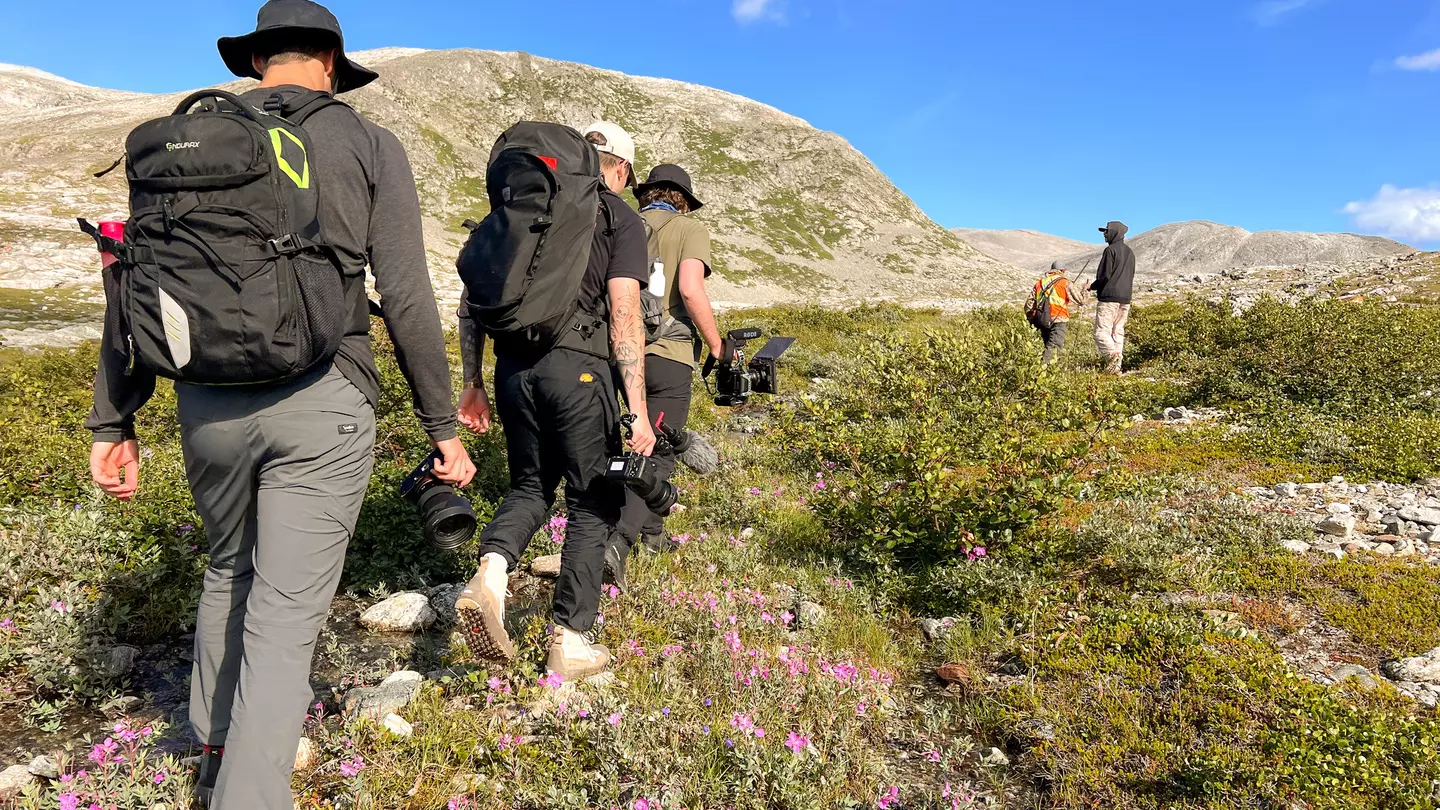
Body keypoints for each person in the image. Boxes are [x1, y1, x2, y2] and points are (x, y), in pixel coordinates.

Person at [85, 2, 476, 808]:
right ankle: (249, 796)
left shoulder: (190, 141)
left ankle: (213, 755)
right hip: (324, 395)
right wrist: (442, 425)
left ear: (257, 61)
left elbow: (131, 279)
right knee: (287, 612)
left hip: (207, 404)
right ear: (331, 62)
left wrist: (114, 418)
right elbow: (405, 292)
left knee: (228, 569)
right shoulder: (366, 142)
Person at [454, 121, 653, 680]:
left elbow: (471, 303)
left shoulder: (520, 212)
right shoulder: (618, 216)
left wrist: (472, 381)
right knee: (593, 499)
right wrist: (637, 408)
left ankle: (491, 577)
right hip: (578, 368)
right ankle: (571, 638)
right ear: (619, 168)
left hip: (512, 370)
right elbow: (624, 314)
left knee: (529, 487)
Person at [603, 163, 723, 590]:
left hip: (619, 355)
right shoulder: (689, 229)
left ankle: (652, 537)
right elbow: (690, 290)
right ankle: (617, 542)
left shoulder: (622, 223)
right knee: (660, 451)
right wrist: (716, 346)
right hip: (669, 355)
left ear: (646, 194)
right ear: (683, 200)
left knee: (634, 441)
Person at [1091, 220, 1136, 374]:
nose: (1104, 234)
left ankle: (1112, 356)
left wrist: (1092, 286)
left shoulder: (1110, 251)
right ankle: (1115, 369)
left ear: (1114, 232)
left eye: (1106, 231)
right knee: (1117, 332)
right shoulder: (1130, 253)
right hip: (1125, 299)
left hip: (1109, 297)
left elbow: (1104, 276)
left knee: (1101, 333)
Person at [1031, 260, 1088, 365]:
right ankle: (1045, 370)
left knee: (1046, 345)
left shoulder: (1039, 283)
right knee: (1054, 347)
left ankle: (1041, 368)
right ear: (1062, 271)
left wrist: (1032, 319)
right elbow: (1082, 301)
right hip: (1058, 318)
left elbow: (1029, 304)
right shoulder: (1065, 282)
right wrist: (1085, 290)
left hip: (1041, 319)